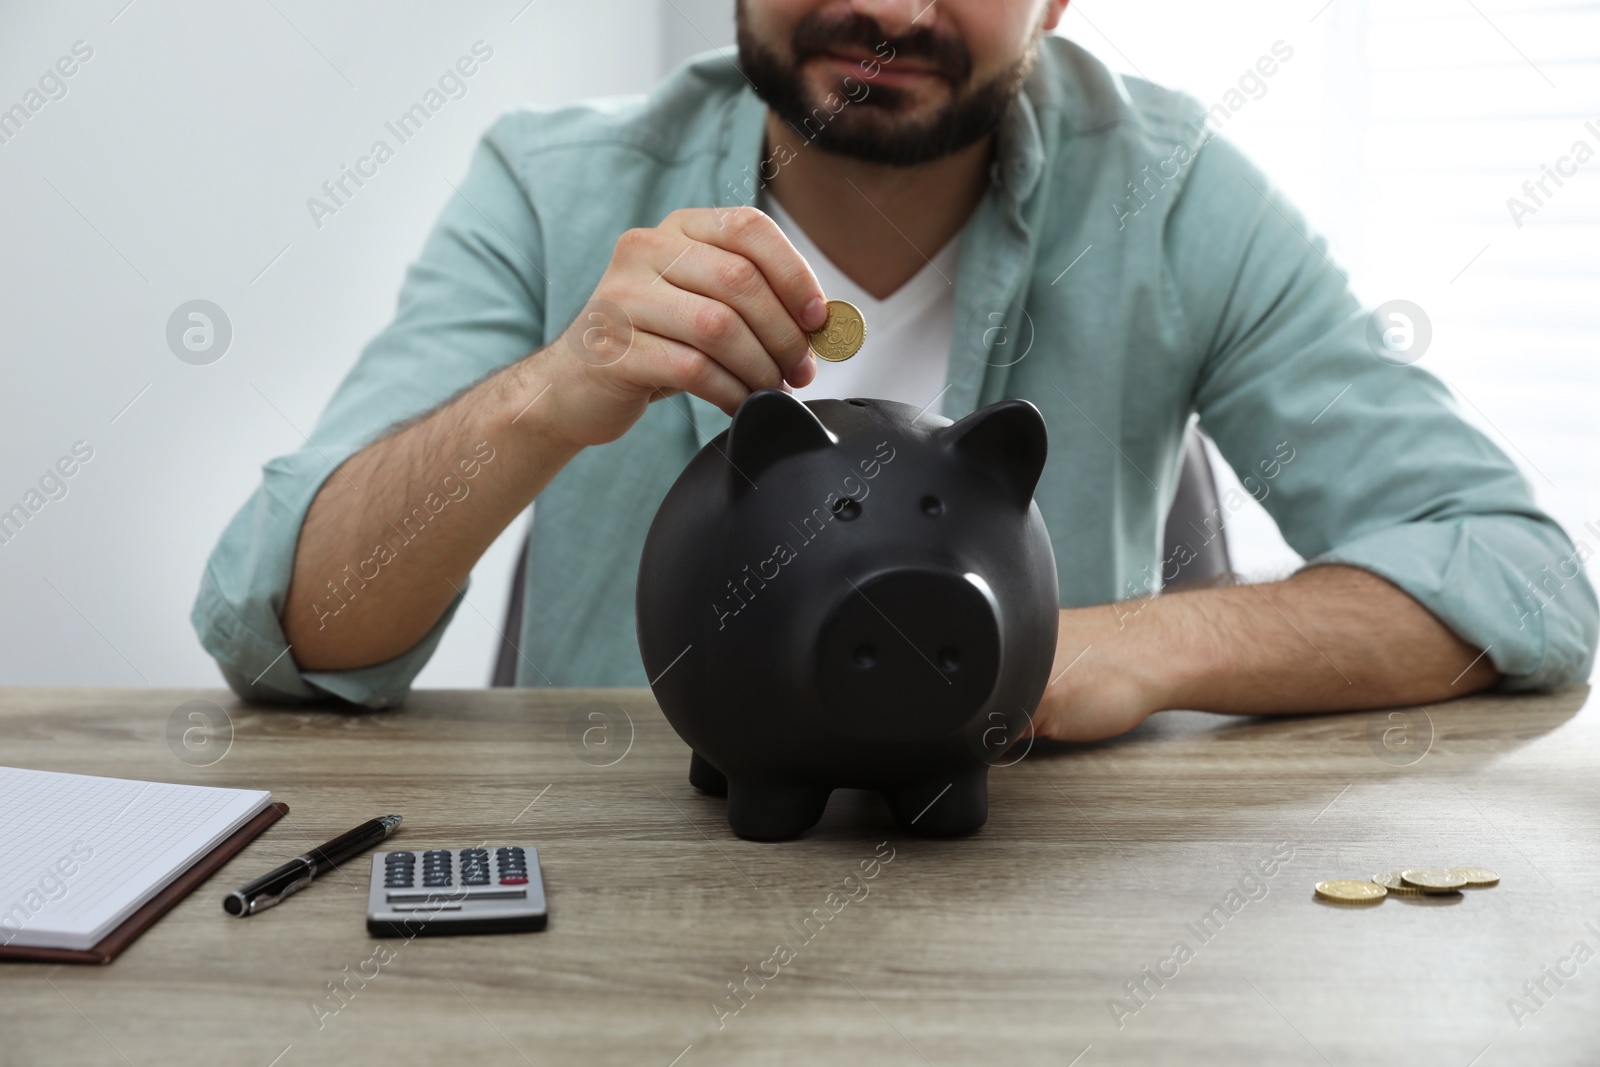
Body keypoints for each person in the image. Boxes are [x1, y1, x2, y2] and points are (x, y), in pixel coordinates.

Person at [192, 0, 1597, 742]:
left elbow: (1519, 579)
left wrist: (1148, 643)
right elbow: (279, 632)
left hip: (1036, 919)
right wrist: (545, 394)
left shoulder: (1174, 200)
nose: (889, 3)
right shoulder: (551, 187)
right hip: (623, 912)